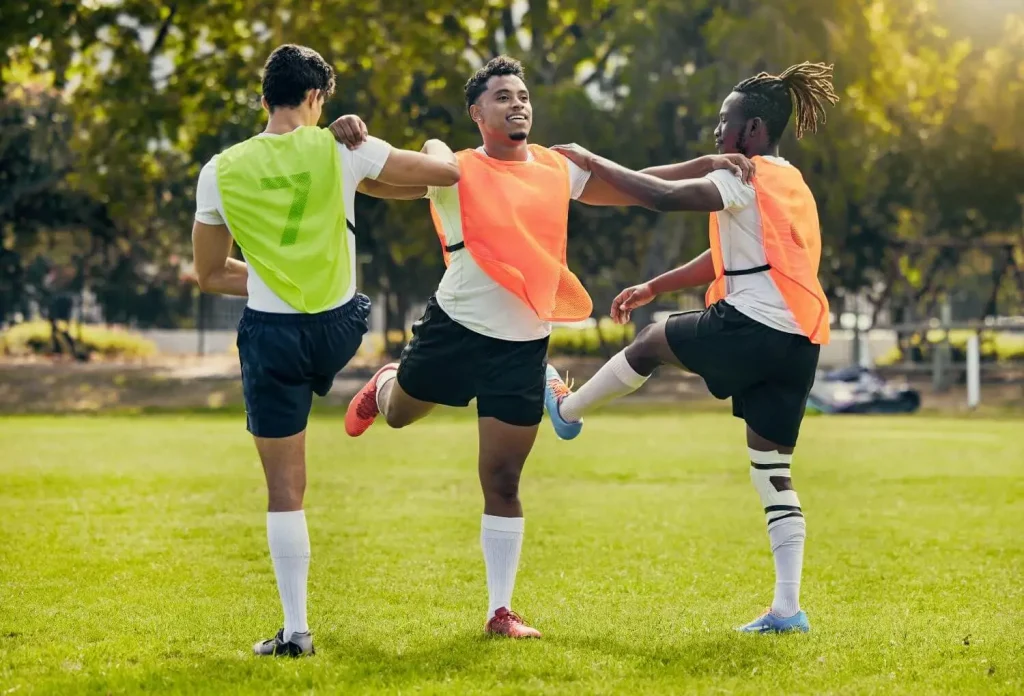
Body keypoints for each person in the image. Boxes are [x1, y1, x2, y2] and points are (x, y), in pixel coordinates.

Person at [333, 55, 753, 639]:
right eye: (503, 97)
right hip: (454, 330)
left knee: (503, 478)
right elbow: (374, 179)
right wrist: (349, 139)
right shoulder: (453, 168)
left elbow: (634, 183)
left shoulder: (557, 167)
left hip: (523, 344)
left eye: (523, 95)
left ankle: (500, 611)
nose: (518, 104)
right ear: (477, 113)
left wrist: (704, 164)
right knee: (401, 414)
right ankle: (385, 382)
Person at [544, 62, 840, 634]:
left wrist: (590, 159)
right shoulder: (791, 183)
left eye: (725, 121)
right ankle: (787, 610)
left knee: (652, 341)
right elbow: (726, 255)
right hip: (799, 342)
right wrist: (656, 285)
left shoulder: (742, 175)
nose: (717, 131)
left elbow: (661, 196)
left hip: (753, 326)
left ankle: (566, 411)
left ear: (752, 129)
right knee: (772, 471)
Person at [191, 43, 461, 657]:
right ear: (316, 97)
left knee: (285, 491)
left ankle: (296, 632)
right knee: (365, 204)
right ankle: (384, 383)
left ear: (265, 99)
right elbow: (443, 176)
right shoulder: (343, 148)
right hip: (340, 330)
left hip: (272, 336)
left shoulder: (219, 170)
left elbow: (209, 274)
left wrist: (269, 275)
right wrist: (432, 147)